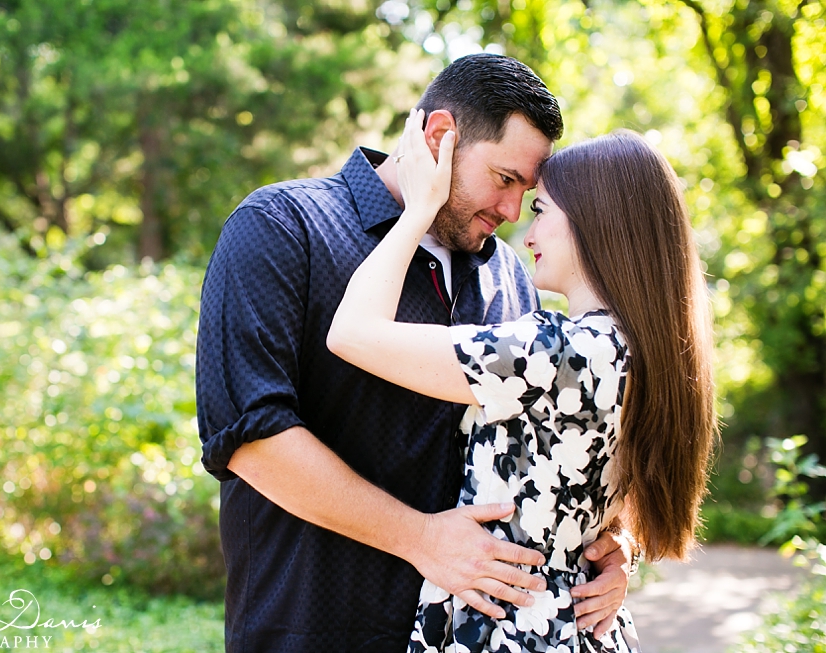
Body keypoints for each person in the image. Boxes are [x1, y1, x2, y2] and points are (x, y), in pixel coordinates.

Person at [196, 54, 634, 652]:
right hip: (313, 629)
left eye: (527, 193)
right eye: (504, 179)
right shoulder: (281, 226)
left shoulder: (510, 275)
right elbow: (251, 438)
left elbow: (567, 439)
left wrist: (614, 543)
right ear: (439, 136)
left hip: (466, 635)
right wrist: (420, 538)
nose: (512, 212)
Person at [327, 110, 717, 651]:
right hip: (580, 627)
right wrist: (619, 547)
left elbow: (351, 333)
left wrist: (418, 210)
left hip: (513, 627)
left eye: (541, 210)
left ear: (596, 222)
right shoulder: (643, 351)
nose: (526, 231)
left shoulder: (552, 351)